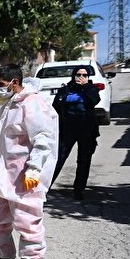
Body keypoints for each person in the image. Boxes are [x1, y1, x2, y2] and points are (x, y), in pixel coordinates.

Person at [0, 64, 58, 259]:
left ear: (14, 82)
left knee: (27, 217)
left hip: (24, 174)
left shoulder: (33, 104)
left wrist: (34, 168)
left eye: (2, 85)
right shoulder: (11, 104)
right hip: (5, 172)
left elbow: (43, 138)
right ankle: (4, 256)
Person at [51, 65, 100, 200]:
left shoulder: (92, 89)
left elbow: (94, 101)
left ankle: (79, 190)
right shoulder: (66, 90)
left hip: (87, 130)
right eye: (78, 74)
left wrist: (85, 87)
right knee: (59, 158)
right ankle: (45, 187)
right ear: (74, 75)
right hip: (67, 130)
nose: (81, 77)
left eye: (84, 75)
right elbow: (55, 108)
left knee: (83, 160)